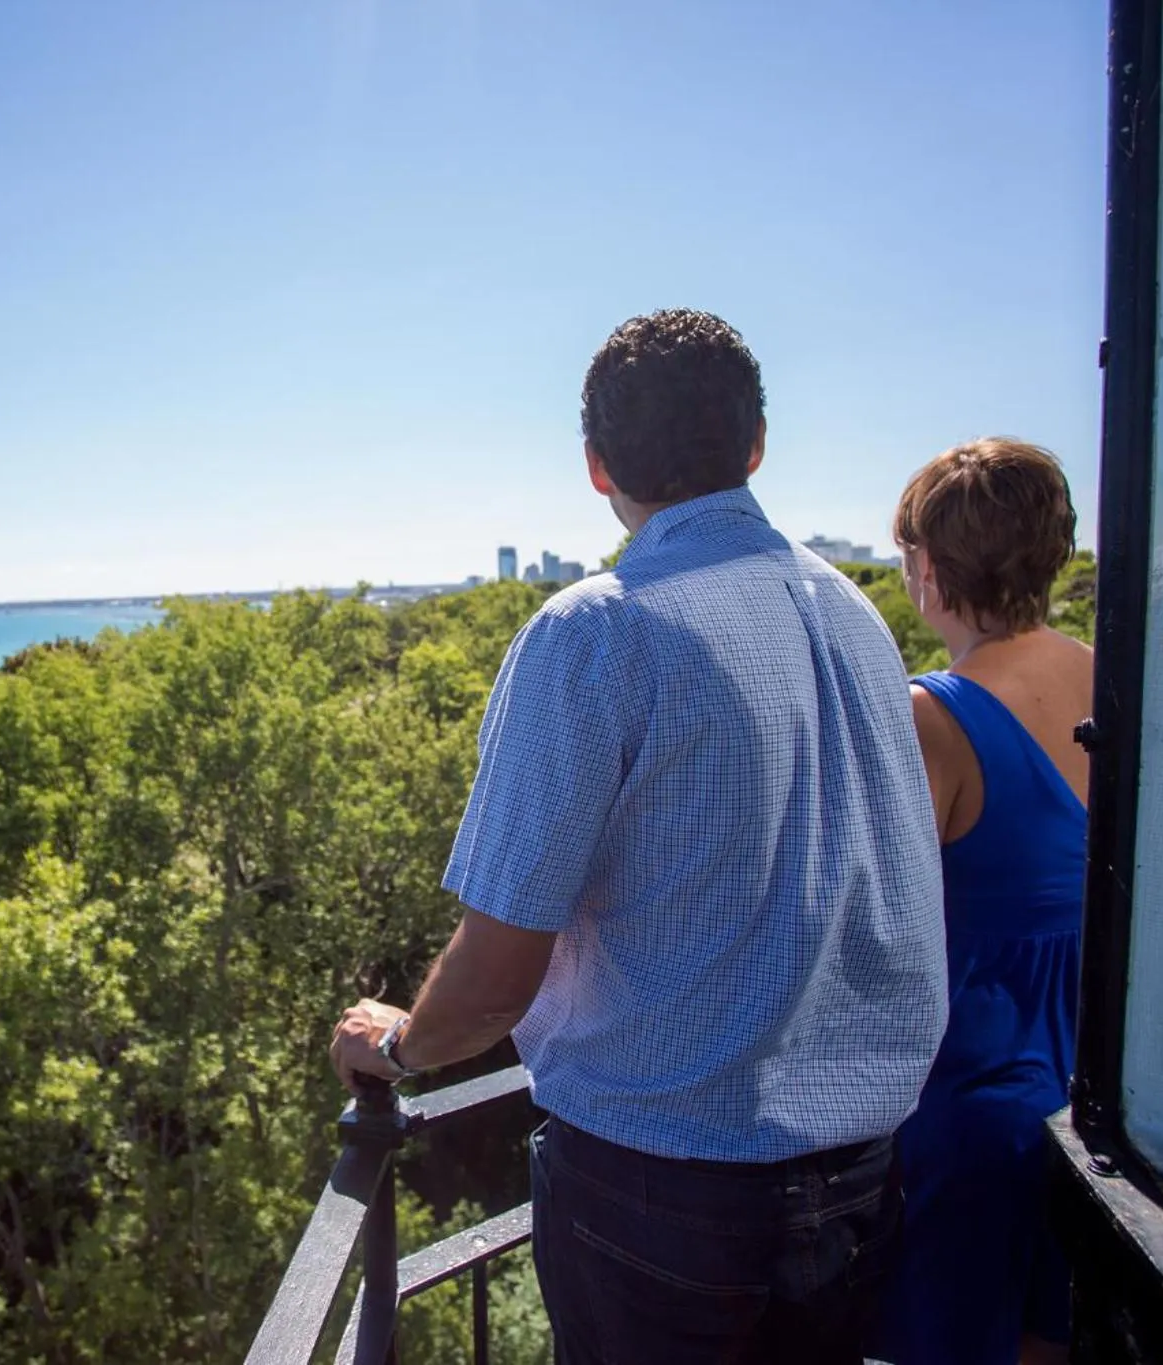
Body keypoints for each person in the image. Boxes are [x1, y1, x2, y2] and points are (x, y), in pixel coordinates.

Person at [329, 308, 948, 1364]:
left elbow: (492, 978)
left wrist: (395, 1047)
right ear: (754, 446)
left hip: (666, 1200)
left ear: (594, 465)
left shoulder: (595, 632)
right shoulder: (854, 612)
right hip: (863, 1181)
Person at [870, 439, 1091, 1365]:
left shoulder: (934, 714)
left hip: (972, 1097)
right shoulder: (1107, 672)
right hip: (1091, 1077)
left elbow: (876, 922)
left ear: (927, 567)